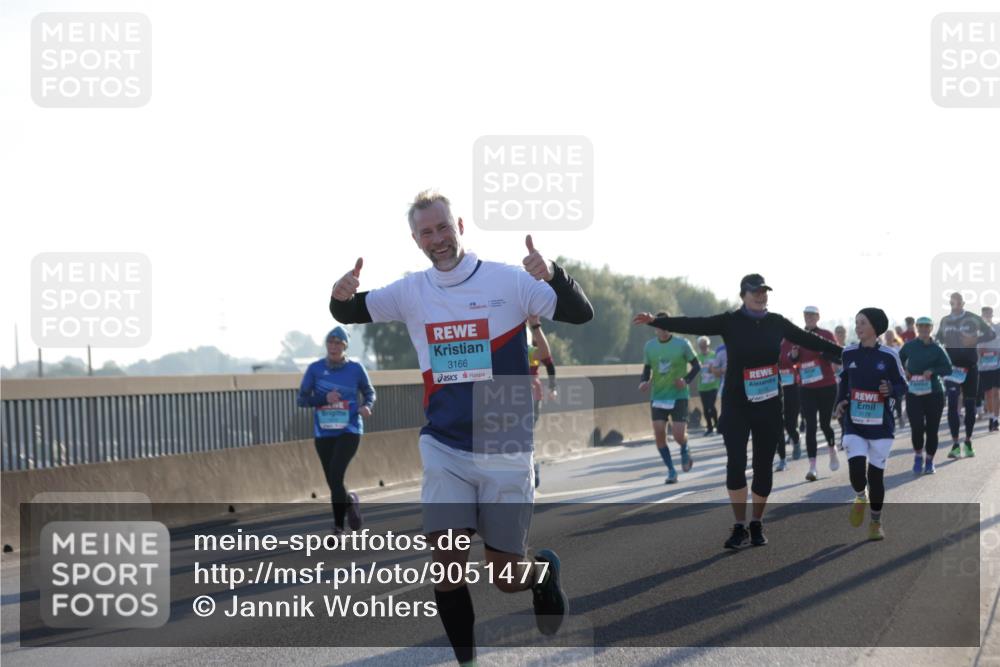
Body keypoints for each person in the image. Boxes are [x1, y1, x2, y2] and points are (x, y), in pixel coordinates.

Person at [329, 190, 593, 665]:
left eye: (444, 227)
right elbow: (349, 313)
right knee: (448, 567)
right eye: (427, 232)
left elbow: (580, 312)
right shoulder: (412, 291)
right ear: (416, 240)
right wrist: (339, 295)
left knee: (506, 577)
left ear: (460, 227)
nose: (438, 239)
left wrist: (553, 274)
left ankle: (543, 574)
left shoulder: (509, 281)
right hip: (445, 447)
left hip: (506, 448)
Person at [633, 274, 842, 550]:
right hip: (736, 404)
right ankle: (739, 525)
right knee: (736, 463)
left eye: (765, 291)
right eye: (755, 291)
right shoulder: (730, 321)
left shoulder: (776, 322)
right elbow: (694, 324)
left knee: (763, 466)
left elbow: (811, 341)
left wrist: (847, 353)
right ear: (743, 294)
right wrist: (658, 321)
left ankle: (756, 522)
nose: (761, 295)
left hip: (768, 403)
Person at [834, 308, 906, 541]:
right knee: (856, 472)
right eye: (856, 322)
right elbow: (844, 381)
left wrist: (891, 390)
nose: (858, 326)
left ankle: (875, 522)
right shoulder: (848, 353)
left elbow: (902, 385)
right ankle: (859, 496)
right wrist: (840, 402)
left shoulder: (889, 355)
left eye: (862, 322)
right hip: (854, 422)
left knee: (876, 477)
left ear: (875, 327)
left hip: (881, 425)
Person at [297, 326, 375, 535]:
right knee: (333, 481)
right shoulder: (315, 369)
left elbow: (369, 392)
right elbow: (302, 399)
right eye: (330, 343)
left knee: (336, 473)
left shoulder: (356, 369)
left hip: (349, 430)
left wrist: (367, 406)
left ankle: (339, 527)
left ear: (345, 346)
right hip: (324, 433)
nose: (333, 347)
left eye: (338, 343)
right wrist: (324, 398)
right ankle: (349, 501)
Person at [639, 314, 701, 483]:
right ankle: (671, 471)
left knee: (679, 435)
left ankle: (684, 447)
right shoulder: (649, 347)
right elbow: (646, 369)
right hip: (658, 396)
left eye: (666, 326)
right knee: (659, 433)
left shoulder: (683, 344)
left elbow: (697, 366)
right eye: (660, 326)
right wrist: (644, 382)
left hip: (679, 396)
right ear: (655, 329)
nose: (664, 330)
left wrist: (686, 380)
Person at [937, 293, 997, 458]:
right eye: (951, 302)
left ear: (962, 303)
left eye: (957, 302)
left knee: (970, 406)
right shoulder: (945, 320)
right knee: (952, 404)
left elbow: (991, 334)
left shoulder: (972, 318)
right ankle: (955, 444)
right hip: (952, 369)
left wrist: (976, 340)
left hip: (971, 368)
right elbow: (937, 340)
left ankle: (968, 442)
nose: (954, 304)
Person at [790, 306, 840, 481]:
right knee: (810, 425)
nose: (809, 318)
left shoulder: (826, 335)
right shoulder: (797, 335)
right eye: (806, 315)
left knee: (825, 424)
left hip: (826, 385)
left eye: (812, 315)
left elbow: (837, 357)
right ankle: (812, 467)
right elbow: (792, 359)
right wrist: (794, 355)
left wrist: (823, 352)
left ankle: (832, 449)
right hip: (806, 387)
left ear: (818, 317)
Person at [899, 317, 952, 474]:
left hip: (934, 392)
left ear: (931, 328)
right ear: (916, 327)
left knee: (932, 429)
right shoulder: (909, 346)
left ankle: (929, 460)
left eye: (927, 326)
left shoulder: (937, 348)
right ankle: (917, 456)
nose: (923, 329)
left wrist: (933, 371)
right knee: (916, 427)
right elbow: (896, 361)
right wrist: (905, 371)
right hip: (914, 392)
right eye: (920, 326)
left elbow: (948, 368)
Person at [528, 315, 558, 487]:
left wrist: (553, 387)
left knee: (526, 433)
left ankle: (533, 469)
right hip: (508, 395)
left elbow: (549, 364)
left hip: (532, 393)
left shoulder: (534, 347)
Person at [777, 338, 801, 469]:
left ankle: (796, 441)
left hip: (792, 387)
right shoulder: (770, 342)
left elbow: (797, 361)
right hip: (776, 387)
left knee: (790, 424)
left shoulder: (791, 342)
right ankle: (782, 457)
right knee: (777, 423)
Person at [978, 306, 1000, 433]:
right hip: (984, 366)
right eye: (985, 314)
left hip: (997, 364)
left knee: (997, 392)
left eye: (989, 314)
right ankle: (991, 416)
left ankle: (995, 418)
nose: (988, 316)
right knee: (989, 394)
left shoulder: (997, 328)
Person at [696, 336, 721, 437]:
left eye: (705, 345)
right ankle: (709, 427)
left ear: (708, 345)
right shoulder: (697, 358)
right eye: (701, 346)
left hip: (714, 384)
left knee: (711, 405)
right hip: (702, 386)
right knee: (706, 408)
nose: (703, 347)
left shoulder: (714, 355)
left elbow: (719, 366)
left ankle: (717, 425)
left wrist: (714, 369)